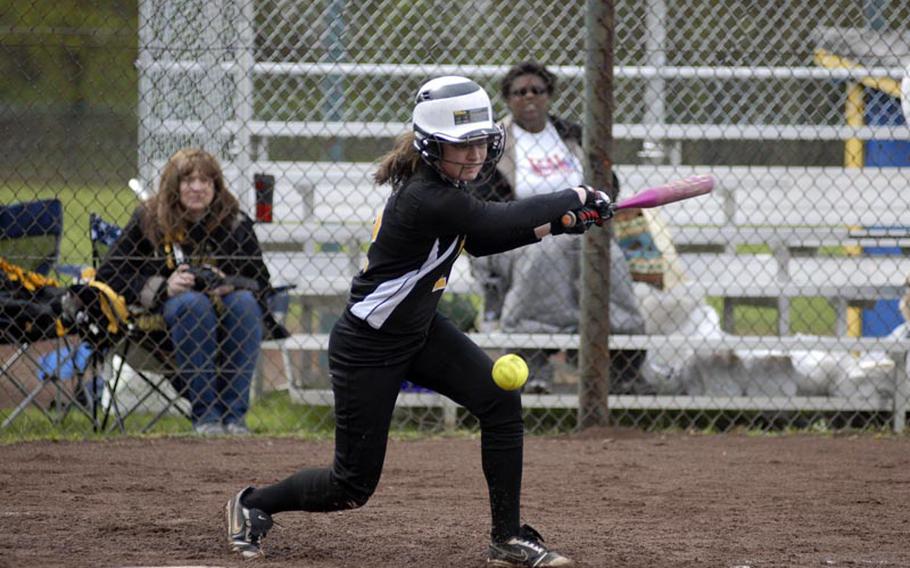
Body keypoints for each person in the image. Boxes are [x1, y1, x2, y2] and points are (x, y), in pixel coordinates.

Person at [224, 76, 610, 566]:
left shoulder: (447, 190)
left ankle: (507, 536)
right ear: (430, 148)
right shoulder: (427, 196)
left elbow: (482, 239)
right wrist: (573, 197)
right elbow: (489, 223)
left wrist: (557, 224)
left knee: (499, 399)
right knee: (351, 486)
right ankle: (254, 504)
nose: (473, 157)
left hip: (420, 331)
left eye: (479, 143)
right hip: (369, 346)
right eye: (459, 146)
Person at [469, 61, 647, 394]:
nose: (530, 97)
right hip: (519, 237)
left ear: (550, 95)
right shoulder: (495, 143)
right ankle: (531, 359)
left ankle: (623, 365)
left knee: (609, 257)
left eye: (538, 90)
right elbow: (485, 203)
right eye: (520, 92)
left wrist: (589, 211)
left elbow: (610, 183)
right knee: (547, 253)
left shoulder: (572, 134)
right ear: (508, 99)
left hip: (581, 230)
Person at [97, 147, 280, 436]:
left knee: (245, 303)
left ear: (216, 186)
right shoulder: (149, 219)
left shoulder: (234, 221)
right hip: (162, 323)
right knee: (192, 303)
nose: (197, 188)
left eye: (206, 181)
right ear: (174, 185)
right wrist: (162, 286)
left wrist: (230, 281)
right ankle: (206, 416)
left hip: (227, 317)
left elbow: (261, 281)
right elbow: (109, 274)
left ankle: (234, 418)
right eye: (188, 181)